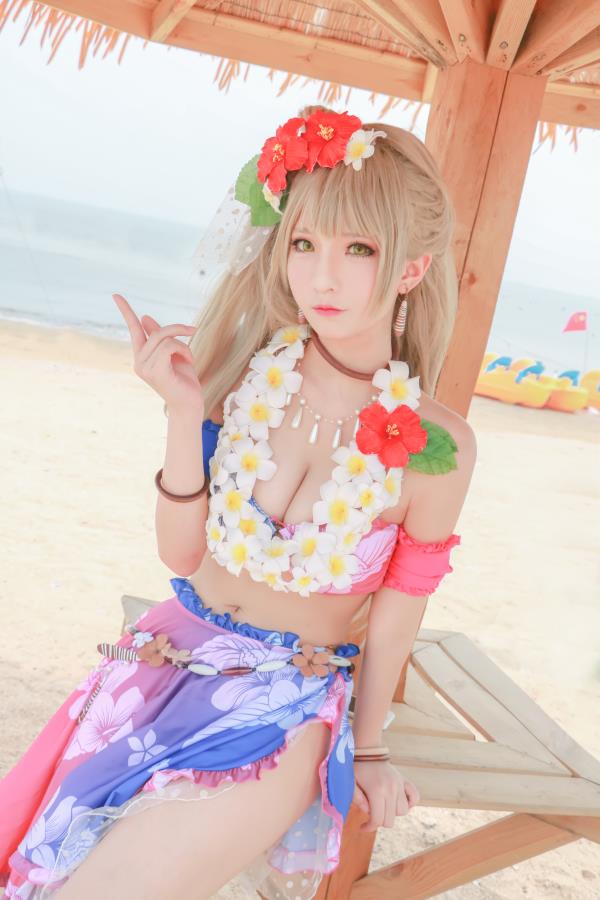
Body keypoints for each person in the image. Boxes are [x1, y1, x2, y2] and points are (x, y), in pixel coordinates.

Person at [0, 105, 476, 899]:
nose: (322, 277)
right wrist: (183, 413)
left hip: (283, 704)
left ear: (410, 269)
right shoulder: (247, 376)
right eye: (304, 244)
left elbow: (398, 614)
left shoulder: (437, 446)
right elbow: (181, 554)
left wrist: (371, 749)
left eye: (358, 249)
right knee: (38, 878)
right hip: (160, 659)